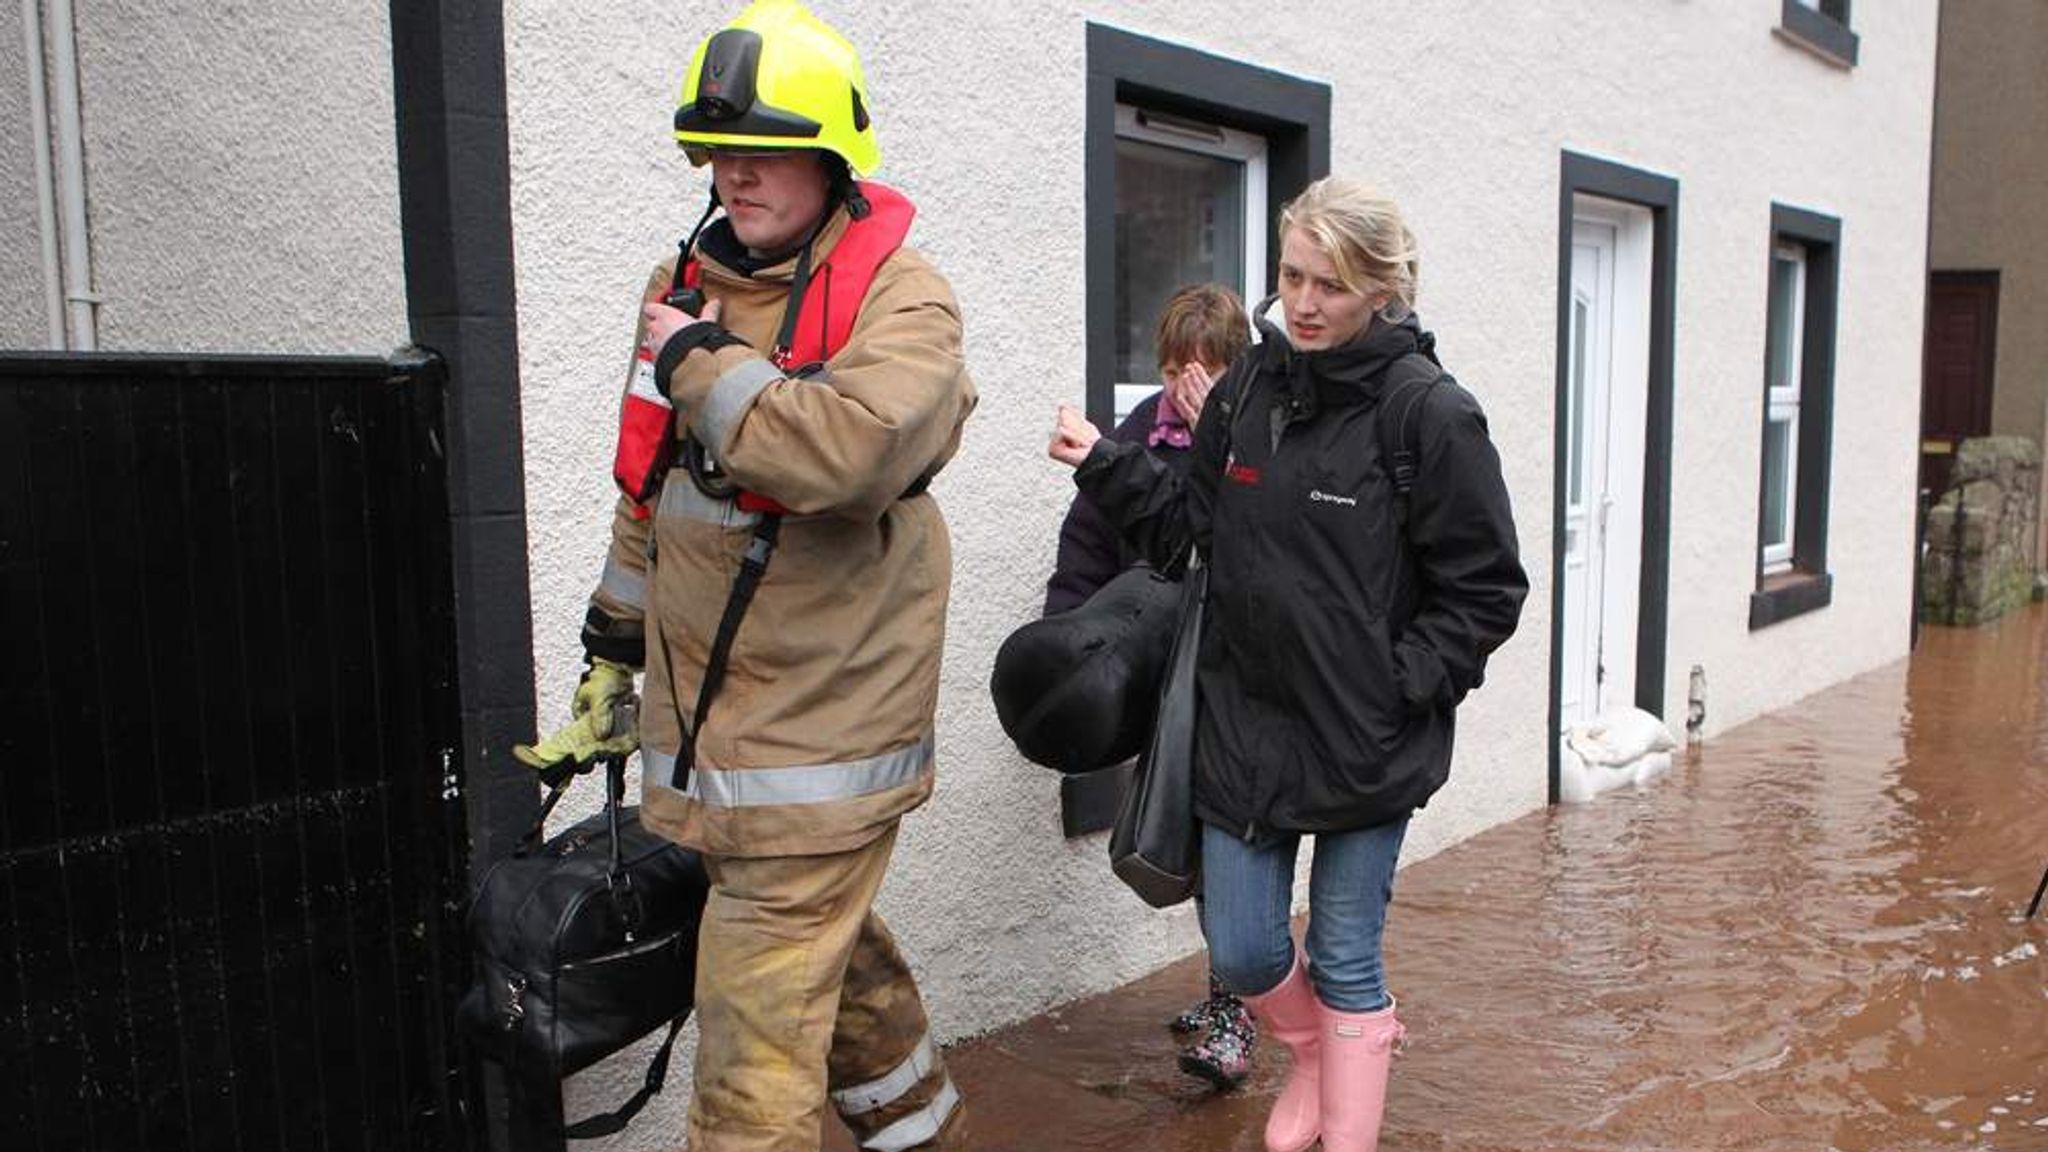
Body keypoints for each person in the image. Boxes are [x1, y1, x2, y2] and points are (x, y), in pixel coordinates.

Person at [515, 3, 974, 1149]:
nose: (733, 176)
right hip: (711, 737)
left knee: (748, 1056)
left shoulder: (901, 298)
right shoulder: (682, 283)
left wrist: (694, 358)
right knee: (835, 966)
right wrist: (611, 651)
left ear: (830, 158)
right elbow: (649, 484)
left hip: (821, 739)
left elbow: (849, 452)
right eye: (717, 153)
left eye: (762, 151)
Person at [1048, 176, 1527, 1152]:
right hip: (1244, 728)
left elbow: (1484, 590)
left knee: (1346, 955)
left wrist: (1401, 688)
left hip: (1364, 743)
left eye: (1331, 283)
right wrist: (1108, 463)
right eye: (1290, 276)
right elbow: (1190, 532)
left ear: (1382, 289)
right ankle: (1314, 1054)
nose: (1303, 303)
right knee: (1244, 945)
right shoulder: (1250, 393)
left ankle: (1344, 1118)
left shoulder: (1429, 417)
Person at [1040, 283, 1263, 1090]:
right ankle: (1227, 992)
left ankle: (1235, 1006)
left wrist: (1221, 439)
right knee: (1186, 845)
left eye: (1203, 371)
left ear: (1237, 371)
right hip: (1164, 675)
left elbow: (1251, 544)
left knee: (1228, 840)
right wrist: (1069, 638)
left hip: (1234, 683)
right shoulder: (1141, 434)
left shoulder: (1260, 442)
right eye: (1173, 369)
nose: (1183, 387)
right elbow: (1090, 540)